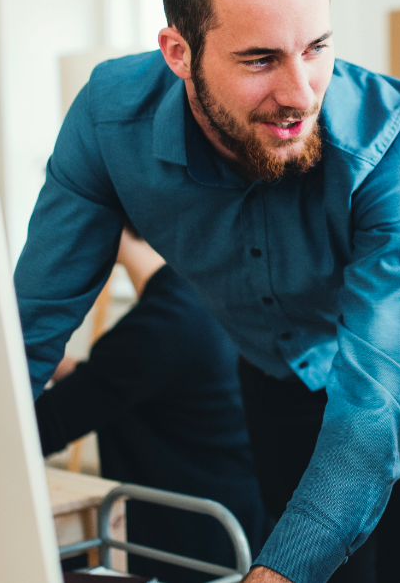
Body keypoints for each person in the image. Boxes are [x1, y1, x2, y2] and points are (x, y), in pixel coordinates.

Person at [14, 0, 400, 583]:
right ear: (179, 52)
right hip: (274, 372)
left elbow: (371, 409)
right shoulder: (110, 124)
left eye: (317, 48)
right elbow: (30, 327)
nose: (300, 93)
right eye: (261, 59)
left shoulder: (395, 141)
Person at [35, 226, 272, 582]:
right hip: (241, 530)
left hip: (194, 553)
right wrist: (55, 363)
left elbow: (43, 427)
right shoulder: (206, 298)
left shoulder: (165, 323)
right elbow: (116, 386)